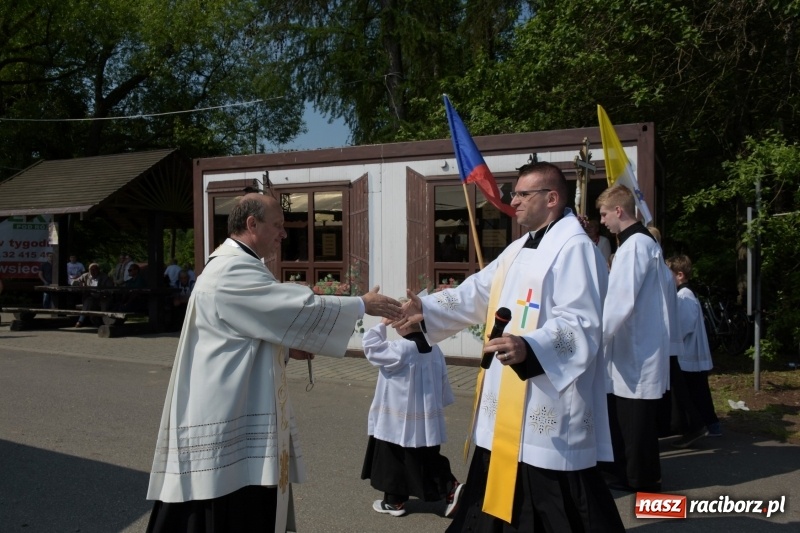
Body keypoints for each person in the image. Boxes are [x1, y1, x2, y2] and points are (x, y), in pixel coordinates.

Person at [145, 192, 402, 533]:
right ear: (252, 224)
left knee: (239, 498)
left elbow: (248, 328)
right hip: (226, 411)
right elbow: (291, 307)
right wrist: (360, 304)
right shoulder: (232, 269)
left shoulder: (239, 264)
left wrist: (285, 349)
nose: (284, 233)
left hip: (232, 400)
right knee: (222, 501)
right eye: (278, 225)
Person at [400, 162, 622, 532]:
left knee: (553, 492)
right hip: (508, 390)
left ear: (551, 199)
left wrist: (531, 346)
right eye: (514, 193)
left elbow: (582, 322)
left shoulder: (575, 248)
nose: (512, 202)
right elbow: (479, 291)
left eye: (522, 194)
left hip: (545, 393)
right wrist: (426, 309)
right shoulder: (520, 247)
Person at [596, 184, 672, 493]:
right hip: (637, 346)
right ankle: (640, 475)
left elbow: (620, 301)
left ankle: (639, 479)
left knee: (634, 421)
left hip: (636, 349)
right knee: (632, 419)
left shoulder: (635, 246)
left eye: (604, 214)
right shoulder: (644, 243)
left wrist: (595, 338)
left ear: (619, 210)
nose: (602, 221)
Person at [361, 312, 463, 519]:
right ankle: (393, 501)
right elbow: (443, 379)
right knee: (420, 455)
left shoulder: (401, 349)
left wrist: (381, 325)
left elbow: (370, 348)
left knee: (394, 456)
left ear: (403, 324)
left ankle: (450, 487)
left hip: (396, 417)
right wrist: (438, 404)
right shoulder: (435, 348)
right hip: (425, 416)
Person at [667, 254, 721, 438]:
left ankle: (709, 425)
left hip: (689, 352)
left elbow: (685, 324)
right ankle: (708, 424)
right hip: (689, 352)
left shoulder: (684, 296)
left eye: (670, 274)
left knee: (697, 392)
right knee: (698, 392)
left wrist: (672, 337)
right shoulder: (684, 295)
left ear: (680, 275)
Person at [74, 263, 115, 327]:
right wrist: (80, 283)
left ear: (98, 270)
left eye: (95, 269)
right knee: (87, 302)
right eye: (91, 270)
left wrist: (104, 292)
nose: (93, 271)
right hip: (91, 297)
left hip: (103, 297)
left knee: (104, 303)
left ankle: (107, 323)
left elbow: (111, 289)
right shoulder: (85, 276)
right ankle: (80, 321)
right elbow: (74, 282)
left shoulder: (104, 277)